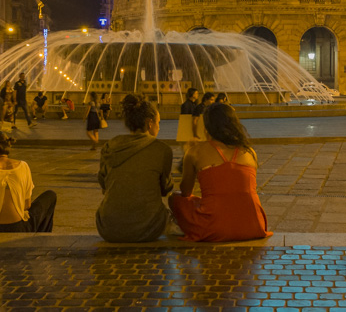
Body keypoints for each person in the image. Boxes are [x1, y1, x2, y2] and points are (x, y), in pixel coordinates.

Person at [170, 102, 272, 242]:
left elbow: (185, 191)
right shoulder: (249, 152)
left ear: (207, 125)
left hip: (214, 226)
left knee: (175, 198)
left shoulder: (195, 151)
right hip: (254, 224)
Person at [96, 94, 173, 242]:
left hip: (108, 229)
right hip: (148, 229)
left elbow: (104, 184)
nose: (158, 126)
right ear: (150, 123)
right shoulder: (162, 149)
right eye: (158, 122)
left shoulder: (110, 146)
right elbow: (165, 189)